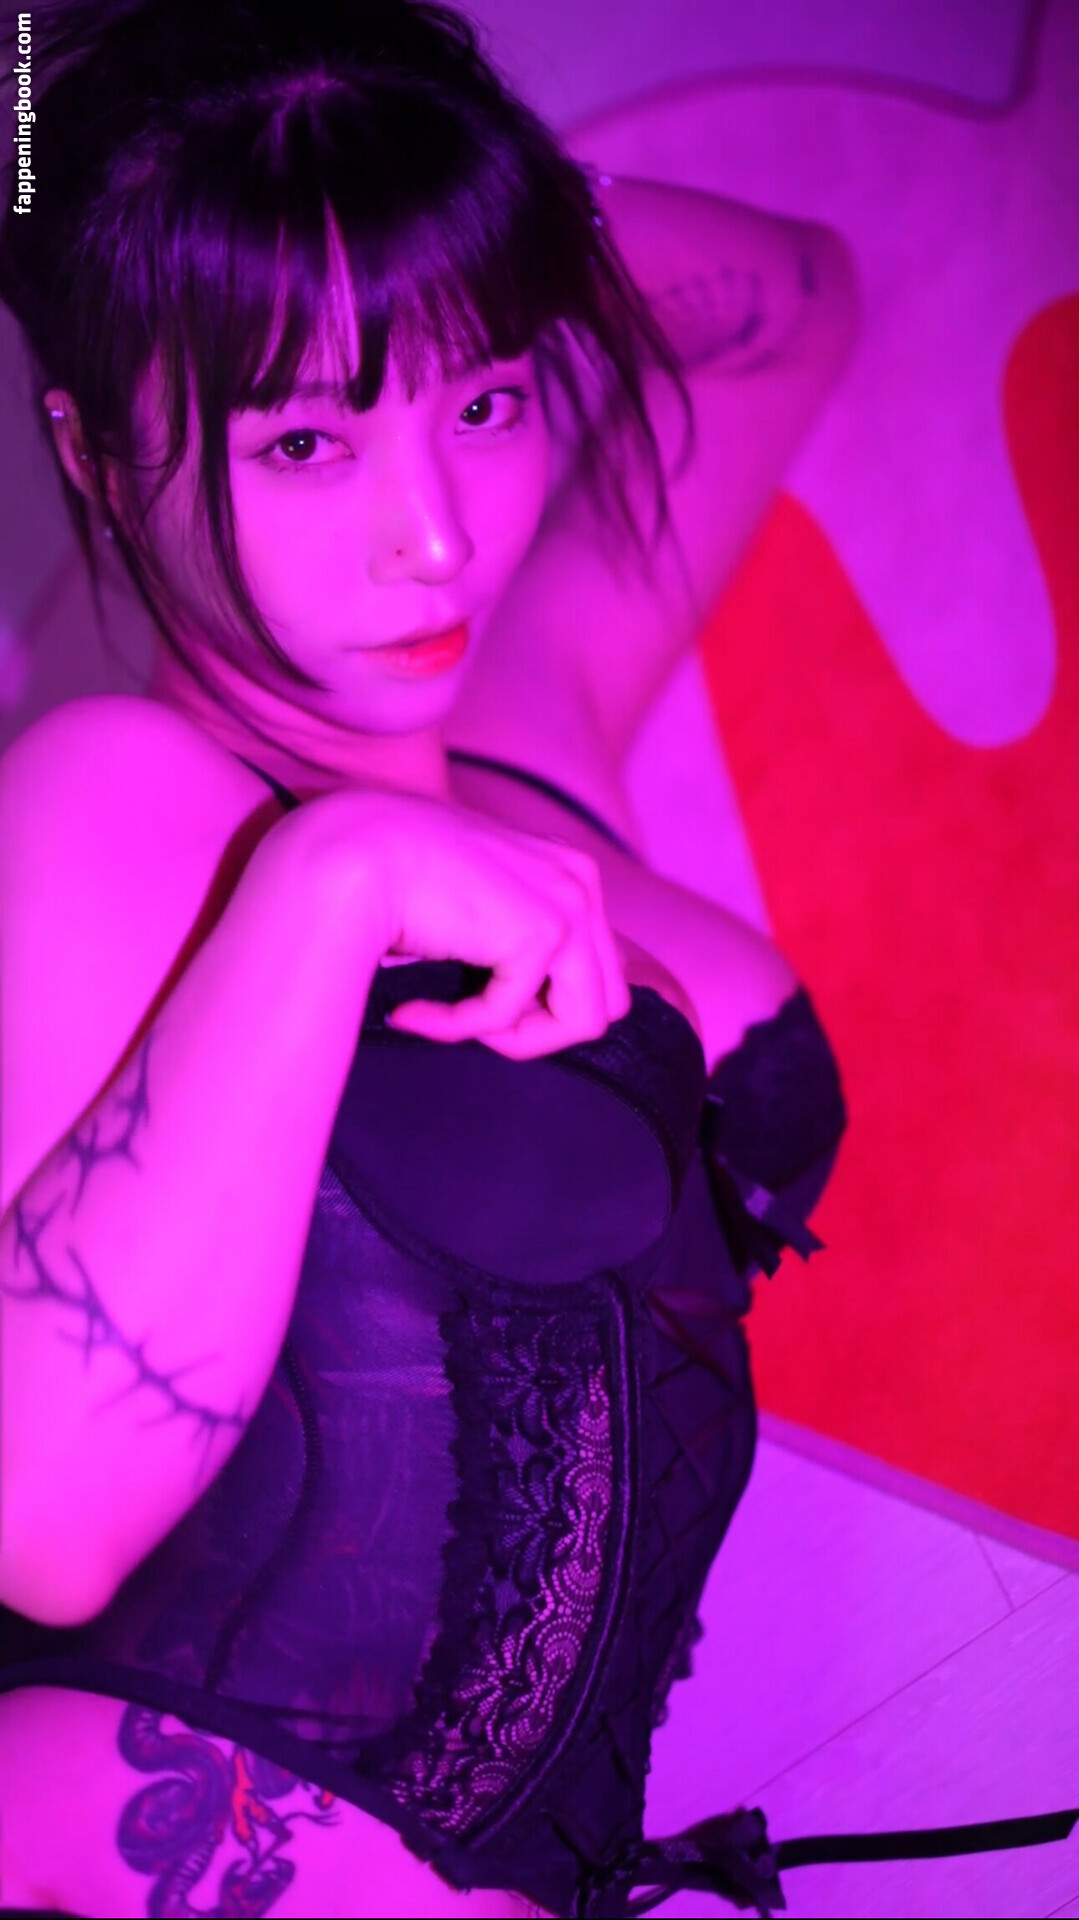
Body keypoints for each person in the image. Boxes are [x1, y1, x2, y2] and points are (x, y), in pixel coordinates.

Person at [0, 2, 856, 1915]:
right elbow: (37, 1518)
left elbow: (790, 303)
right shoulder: (120, 800)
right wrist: (332, 882)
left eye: (482, 402)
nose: (438, 542)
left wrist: (434, 198)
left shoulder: (528, 742)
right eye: (307, 440)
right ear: (102, 458)